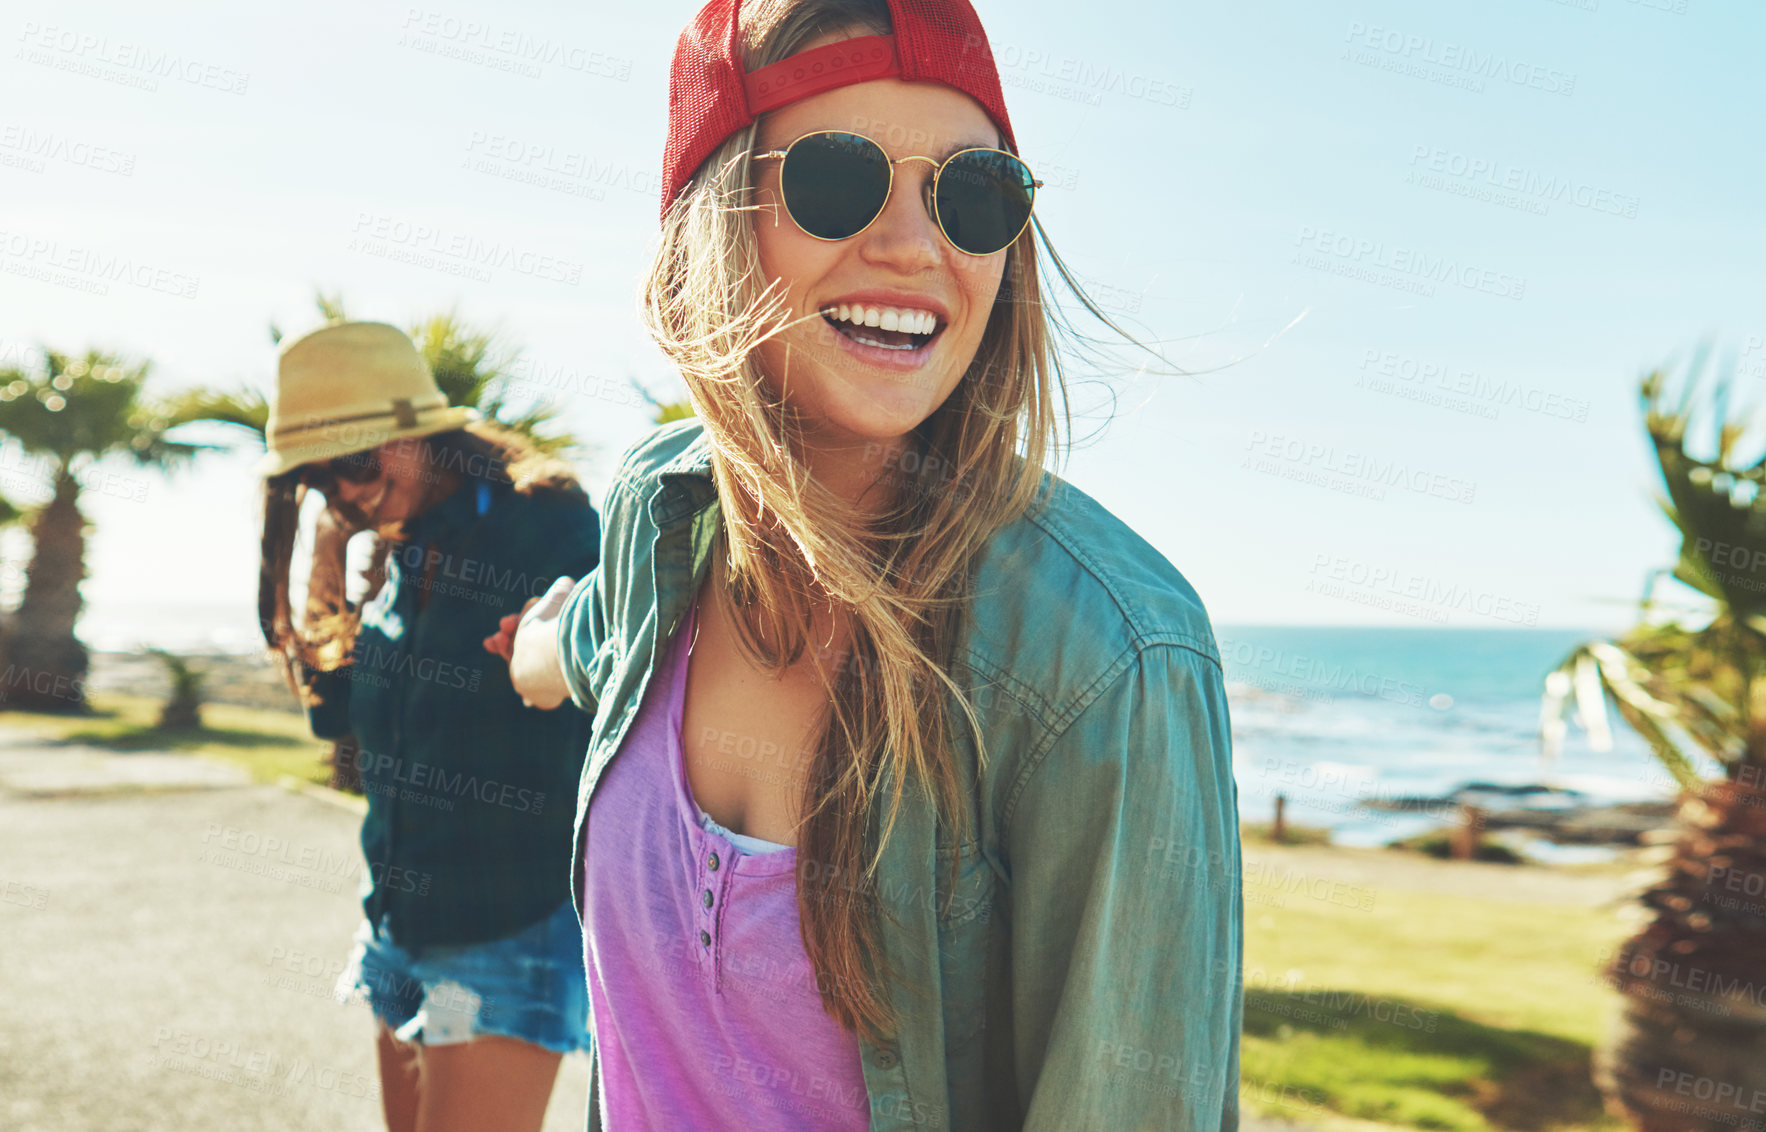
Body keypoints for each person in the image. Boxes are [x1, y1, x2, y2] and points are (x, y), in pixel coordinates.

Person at [493, 0, 1242, 1127]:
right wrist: (534, 649)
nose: (912, 246)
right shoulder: (663, 518)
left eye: (973, 196)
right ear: (709, 224)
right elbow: (599, 635)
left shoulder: (1107, 659)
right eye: (836, 181)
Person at [256, 320, 599, 1132]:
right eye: (319, 481)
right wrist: (328, 556)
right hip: (396, 929)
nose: (345, 493)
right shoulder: (401, 554)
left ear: (421, 435)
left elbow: (607, 690)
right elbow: (332, 718)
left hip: (505, 927)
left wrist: (547, 653)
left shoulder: (544, 523)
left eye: (356, 464)